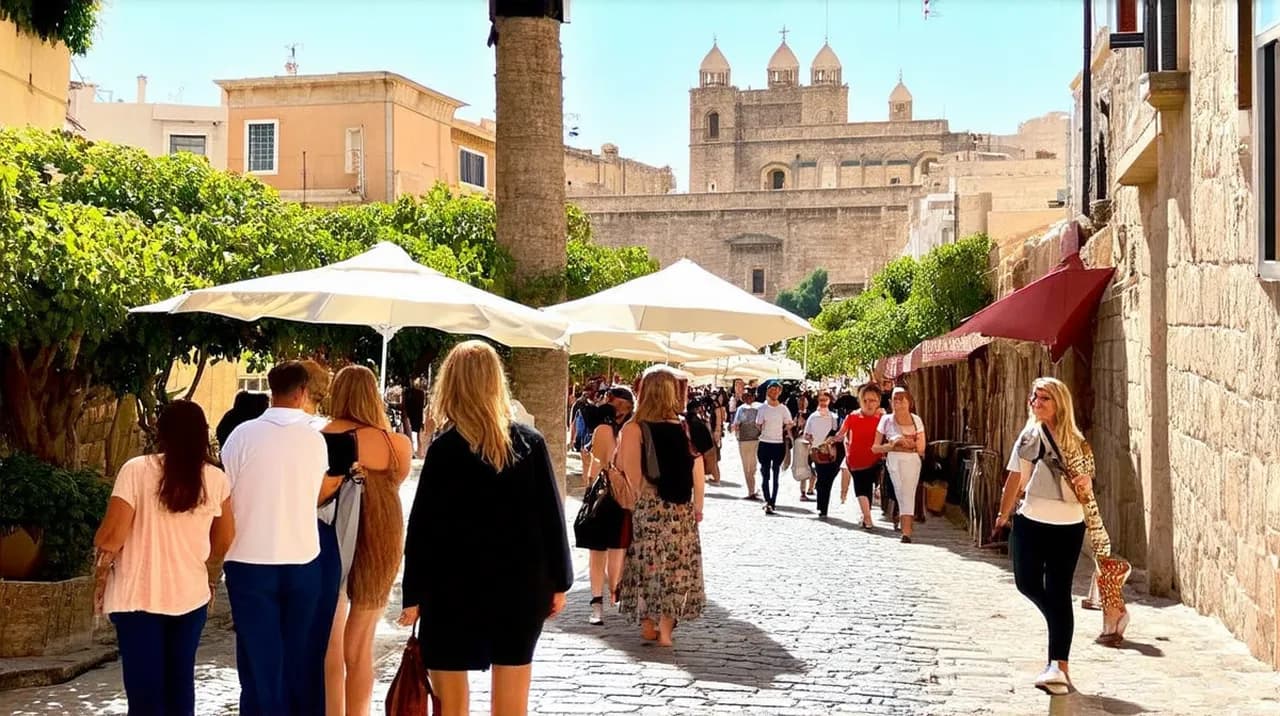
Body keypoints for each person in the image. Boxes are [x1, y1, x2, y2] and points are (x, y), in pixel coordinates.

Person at [399, 341, 572, 716]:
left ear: (451, 383)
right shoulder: (530, 444)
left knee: (451, 705)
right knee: (511, 704)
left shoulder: (445, 450)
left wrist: (413, 594)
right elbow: (550, 518)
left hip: (453, 588)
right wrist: (560, 581)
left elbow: (423, 529)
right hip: (520, 585)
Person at [93, 400, 235, 716]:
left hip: (136, 596)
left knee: (145, 693)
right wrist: (199, 561)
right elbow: (224, 539)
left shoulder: (136, 470)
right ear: (203, 434)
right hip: (189, 595)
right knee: (179, 685)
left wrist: (99, 542)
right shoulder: (216, 479)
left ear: (161, 431)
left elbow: (112, 536)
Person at [220, 361, 333, 715]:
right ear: (302, 392)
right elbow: (316, 491)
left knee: (258, 658)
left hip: (249, 556)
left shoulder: (242, 435)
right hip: (301, 556)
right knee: (299, 654)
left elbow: (228, 491)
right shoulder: (315, 440)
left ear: (271, 391)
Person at [320, 366, 412, 716]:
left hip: (334, 537)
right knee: (360, 649)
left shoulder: (323, 435)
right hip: (383, 536)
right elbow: (395, 483)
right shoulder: (397, 444)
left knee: (331, 647)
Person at [992, 377, 1089, 695]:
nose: (1036, 402)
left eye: (1044, 398)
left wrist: (1003, 514)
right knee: (1040, 588)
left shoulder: (1059, 438)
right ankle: (1059, 639)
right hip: (1045, 520)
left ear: (1059, 402)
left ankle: (1059, 665)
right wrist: (1005, 514)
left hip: (1055, 522)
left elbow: (1017, 479)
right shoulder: (1046, 436)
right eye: (1034, 397)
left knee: (1048, 588)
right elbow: (1017, 479)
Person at [613, 365, 706, 647]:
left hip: (650, 506)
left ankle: (648, 623)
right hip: (681, 508)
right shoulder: (687, 427)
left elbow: (633, 476)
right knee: (676, 567)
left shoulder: (634, 429)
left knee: (647, 563)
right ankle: (667, 629)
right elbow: (698, 470)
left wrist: (637, 503)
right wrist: (697, 505)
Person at [579, 387, 635, 625]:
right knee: (616, 550)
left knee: (597, 552)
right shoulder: (633, 431)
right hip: (624, 495)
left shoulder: (602, 429)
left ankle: (598, 602)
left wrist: (588, 483)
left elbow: (595, 467)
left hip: (601, 495)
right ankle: (614, 593)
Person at [872, 387, 925, 543]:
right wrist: (892, 446)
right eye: (895, 399)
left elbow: (921, 447)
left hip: (912, 461)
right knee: (901, 492)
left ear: (909, 402)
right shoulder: (886, 420)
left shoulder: (916, 420)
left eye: (902, 399)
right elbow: (875, 447)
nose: (899, 403)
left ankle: (907, 532)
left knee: (908, 494)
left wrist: (908, 444)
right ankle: (905, 528)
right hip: (894, 460)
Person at [830, 384, 885, 529]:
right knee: (861, 487)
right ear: (860, 401)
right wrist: (830, 440)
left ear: (878, 401)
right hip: (855, 459)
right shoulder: (853, 417)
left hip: (875, 459)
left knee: (869, 488)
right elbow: (841, 434)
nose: (868, 404)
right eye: (865, 400)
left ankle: (865, 514)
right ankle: (867, 518)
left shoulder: (883, 418)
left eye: (872, 400)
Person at [755, 381, 794, 515]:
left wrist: (783, 429)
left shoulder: (783, 409)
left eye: (777, 391)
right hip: (765, 443)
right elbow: (758, 425)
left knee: (776, 474)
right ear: (768, 391)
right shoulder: (762, 408)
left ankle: (773, 501)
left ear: (780, 392)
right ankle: (767, 500)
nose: (775, 393)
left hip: (778, 444)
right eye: (772, 390)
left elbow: (790, 423)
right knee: (765, 474)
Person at [803, 392, 842, 518]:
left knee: (828, 480)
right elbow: (806, 434)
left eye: (826, 399)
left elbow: (838, 434)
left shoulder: (834, 417)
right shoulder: (812, 417)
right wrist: (810, 441)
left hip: (831, 453)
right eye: (821, 400)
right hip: (817, 452)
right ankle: (822, 507)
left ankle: (823, 504)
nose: (823, 402)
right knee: (821, 479)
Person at [731, 390, 763, 500]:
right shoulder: (760, 408)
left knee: (747, 466)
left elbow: (736, 424)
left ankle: (751, 490)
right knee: (752, 465)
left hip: (745, 440)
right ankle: (752, 489)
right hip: (755, 439)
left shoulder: (741, 409)